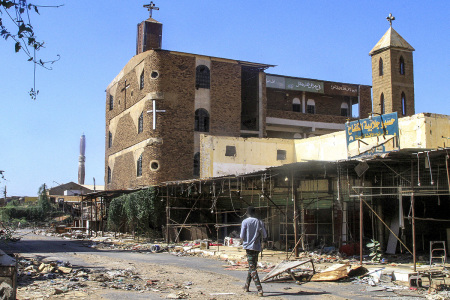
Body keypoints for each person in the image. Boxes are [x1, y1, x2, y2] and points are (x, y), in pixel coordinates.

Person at [240, 206, 267, 297]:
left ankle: (259, 289)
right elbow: (265, 234)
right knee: (252, 266)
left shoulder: (245, 222)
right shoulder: (259, 222)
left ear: (247, 213)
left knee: (252, 268)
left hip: (248, 247)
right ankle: (246, 286)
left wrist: (242, 241)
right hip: (257, 247)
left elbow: (242, 236)